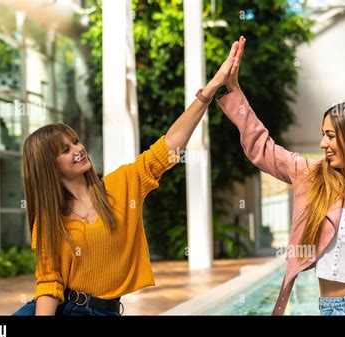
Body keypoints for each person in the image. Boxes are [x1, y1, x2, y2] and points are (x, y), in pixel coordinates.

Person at [13, 39, 244, 316]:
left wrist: (212, 87)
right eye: (66, 149)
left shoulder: (119, 186)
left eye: (75, 141)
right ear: (49, 167)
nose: (78, 149)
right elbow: (49, 284)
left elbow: (168, 148)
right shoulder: (49, 219)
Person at [217, 36, 345, 316]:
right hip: (327, 309)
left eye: (330, 136)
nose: (323, 144)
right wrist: (234, 89)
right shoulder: (313, 176)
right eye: (322, 135)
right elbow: (263, 148)